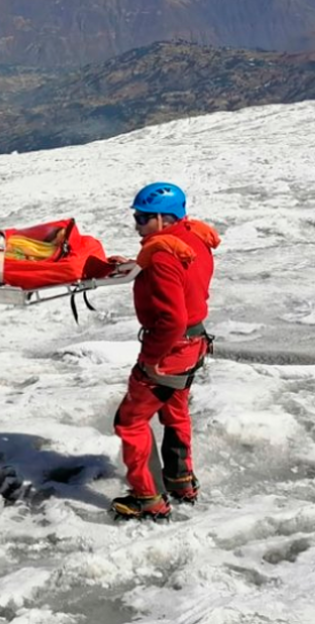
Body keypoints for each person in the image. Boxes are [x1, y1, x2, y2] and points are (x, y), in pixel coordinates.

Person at [110, 182, 220, 520]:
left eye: (142, 218)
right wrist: (137, 264)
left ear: (162, 218)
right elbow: (181, 273)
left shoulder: (161, 256)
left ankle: (147, 498)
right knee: (175, 412)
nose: (137, 225)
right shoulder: (192, 238)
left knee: (130, 421)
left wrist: (151, 361)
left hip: (171, 350)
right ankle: (181, 480)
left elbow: (172, 319)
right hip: (195, 344)